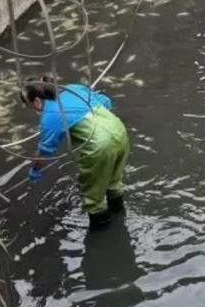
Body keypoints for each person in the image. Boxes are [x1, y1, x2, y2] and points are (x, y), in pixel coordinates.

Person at [23, 77, 130, 230]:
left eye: (30, 106)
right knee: (114, 182)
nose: (34, 110)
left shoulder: (50, 115)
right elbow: (105, 101)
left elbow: (44, 152)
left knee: (93, 198)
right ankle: (120, 217)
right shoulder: (73, 88)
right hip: (119, 131)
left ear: (37, 101)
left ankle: (100, 235)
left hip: (99, 146)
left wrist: (34, 170)